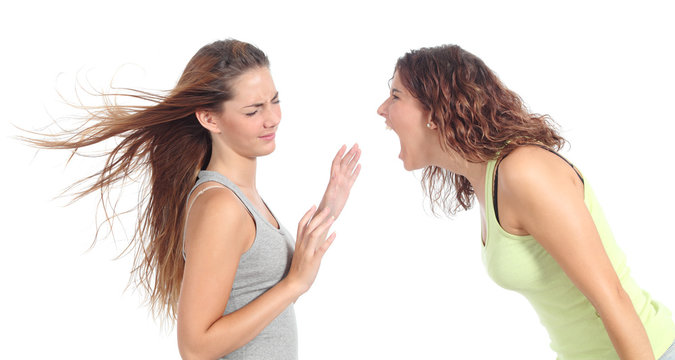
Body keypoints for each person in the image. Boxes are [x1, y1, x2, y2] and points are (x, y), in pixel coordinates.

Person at [26, 39, 361, 359]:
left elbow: (262, 301)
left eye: (275, 100)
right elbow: (195, 347)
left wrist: (330, 207)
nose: (272, 118)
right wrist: (294, 285)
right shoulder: (221, 206)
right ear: (209, 118)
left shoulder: (240, 198)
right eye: (252, 111)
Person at [376, 44, 675, 359]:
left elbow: (613, 297)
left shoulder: (522, 171)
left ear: (435, 112)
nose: (382, 108)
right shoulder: (487, 179)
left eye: (396, 96)